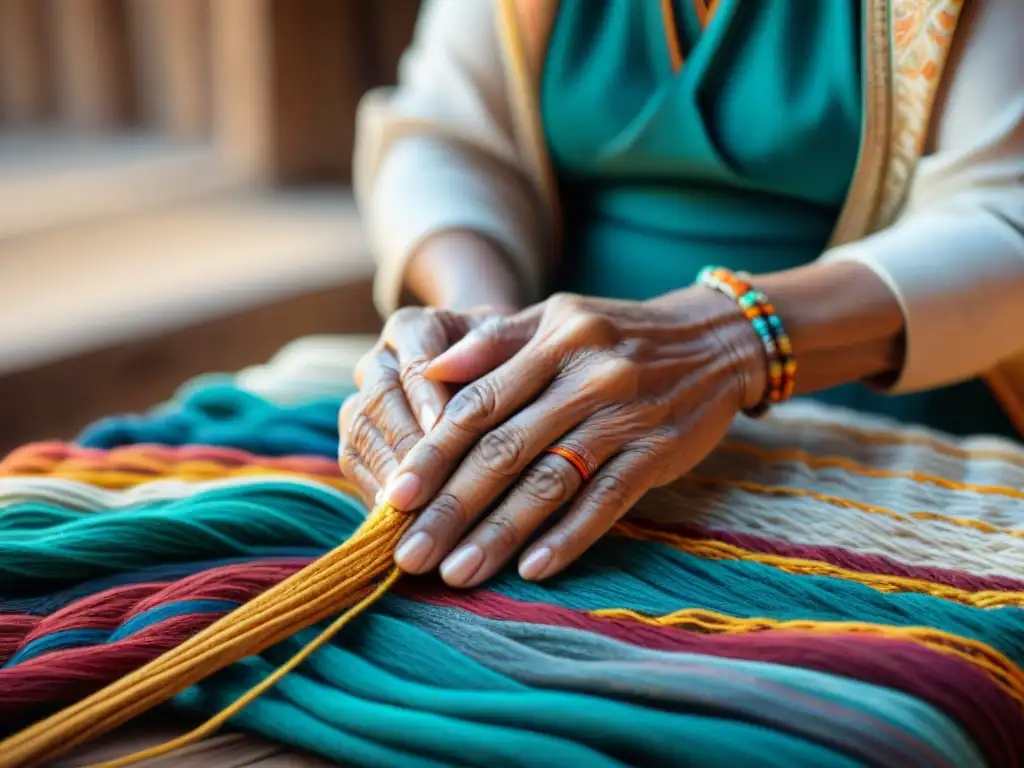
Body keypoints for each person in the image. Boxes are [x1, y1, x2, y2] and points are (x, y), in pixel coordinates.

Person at [339, 0, 1024, 591]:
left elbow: (1005, 212)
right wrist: (484, 338)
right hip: (560, 420)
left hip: (900, 446)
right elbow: (446, 132)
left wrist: (727, 338)